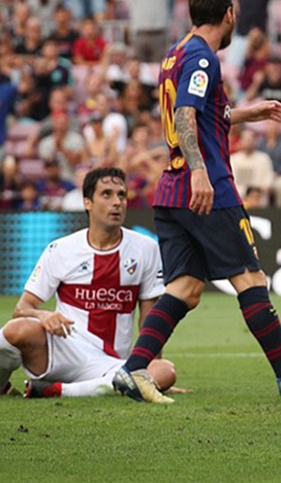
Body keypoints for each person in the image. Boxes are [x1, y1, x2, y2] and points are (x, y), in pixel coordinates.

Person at [111, 0, 281, 404]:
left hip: (171, 192)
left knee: (186, 288)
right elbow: (185, 117)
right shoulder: (203, 57)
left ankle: (132, 368)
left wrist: (245, 113)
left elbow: (201, 113)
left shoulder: (176, 53)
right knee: (250, 277)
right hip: (208, 188)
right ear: (230, 14)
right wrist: (200, 170)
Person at [0, 167, 177, 399]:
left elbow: (149, 318)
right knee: (16, 329)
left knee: (165, 371)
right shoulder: (61, 249)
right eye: (107, 194)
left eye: (121, 195)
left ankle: (55, 391)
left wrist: (153, 371)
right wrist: (45, 316)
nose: (117, 202)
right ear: (87, 203)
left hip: (110, 363)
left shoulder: (146, 249)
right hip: (61, 350)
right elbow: (21, 309)